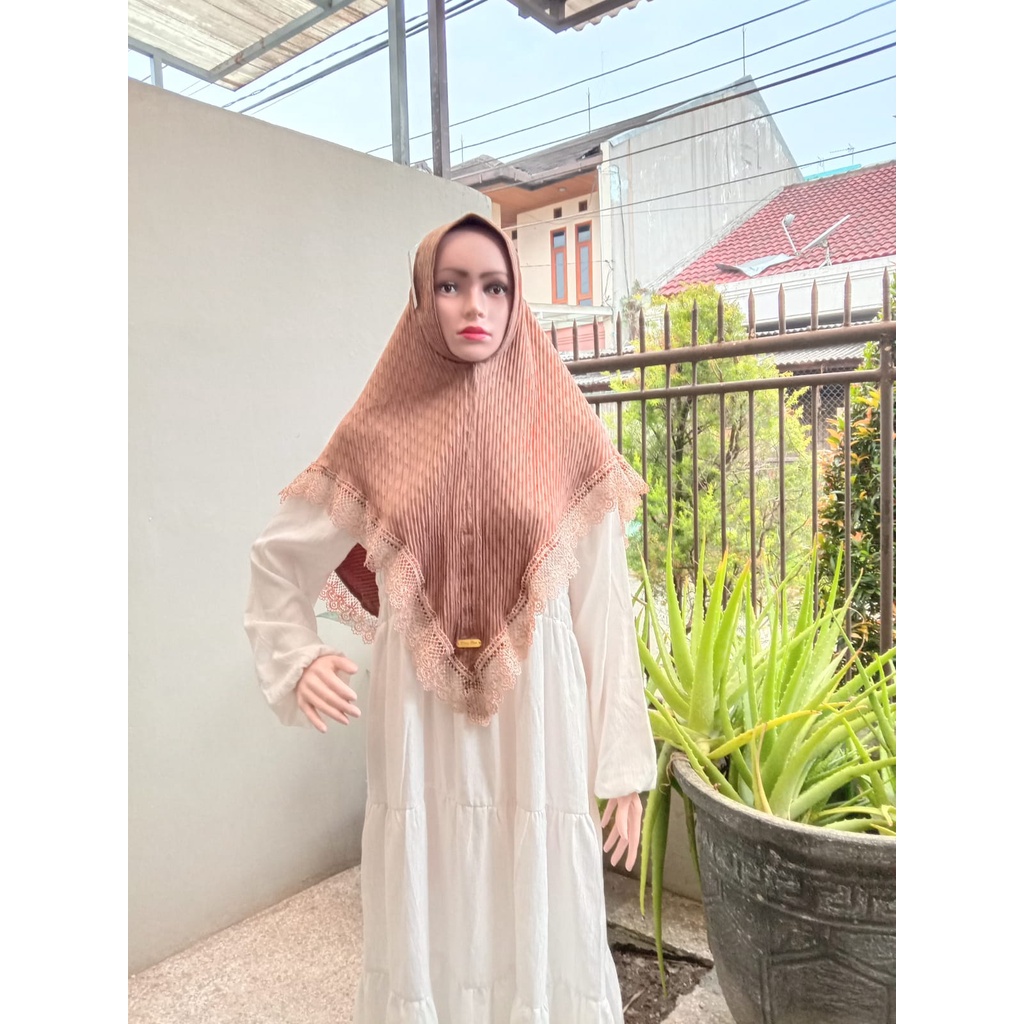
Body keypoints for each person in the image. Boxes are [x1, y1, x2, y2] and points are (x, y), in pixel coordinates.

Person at [245, 212, 658, 1023]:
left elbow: (604, 608)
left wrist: (622, 768)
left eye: (495, 286)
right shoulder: (378, 433)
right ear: (421, 297)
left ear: (517, 300)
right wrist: (296, 658)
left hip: (538, 717)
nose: (475, 305)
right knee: (428, 894)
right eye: (451, 284)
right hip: (418, 720)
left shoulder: (564, 429)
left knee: (535, 900)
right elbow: (278, 559)